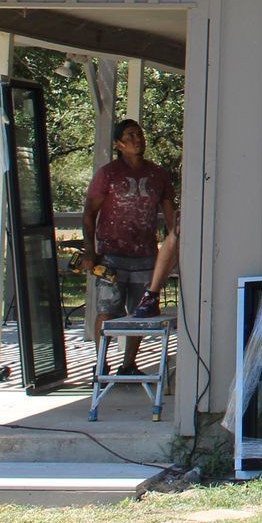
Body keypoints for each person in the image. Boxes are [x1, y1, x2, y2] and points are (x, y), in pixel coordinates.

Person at [82, 118, 178, 375]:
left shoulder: (158, 175)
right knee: (107, 310)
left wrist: (174, 248)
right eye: (130, 135)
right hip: (111, 255)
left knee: (141, 313)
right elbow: (90, 212)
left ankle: (128, 365)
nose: (137, 139)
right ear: (118, 144)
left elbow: (171, 219)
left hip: (146, 256)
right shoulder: (107, 174)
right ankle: (101, 363)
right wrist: (90, 251)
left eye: (139, 134)